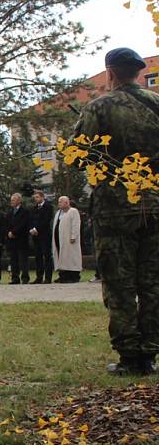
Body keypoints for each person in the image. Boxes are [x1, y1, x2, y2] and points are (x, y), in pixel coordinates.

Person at [74, 47, 159, 374]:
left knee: (120, 284)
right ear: (138, 72)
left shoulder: (98, 107)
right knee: (152, 282)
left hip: (115, 209)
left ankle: (129, 357)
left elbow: (79, 157)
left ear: (109, 72)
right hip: (155, 206)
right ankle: (149, 354)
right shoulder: (156, 104)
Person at [51, 196, 82, 284]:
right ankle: (63, 275)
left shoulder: (73, 211)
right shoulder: (58, 213)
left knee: (71, 257)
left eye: (61, 202)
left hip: (69, 239)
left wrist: (73, 236)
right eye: (58, 202)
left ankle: (73, 276)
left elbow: (76, 225)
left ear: (67, 202)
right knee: (61, 256)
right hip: (59, 239)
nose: (59, 204)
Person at [29, 190, 55, 284]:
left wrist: (37, 229)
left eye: (37, 197)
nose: (36, 199)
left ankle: (48, 278)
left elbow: (46, 220)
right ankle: (39, 277)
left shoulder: (48, 207)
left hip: (45, 235)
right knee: (38, 256)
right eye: (35, 197)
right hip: (36, 236)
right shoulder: (34, 208)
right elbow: (31, 220)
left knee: (47, 256)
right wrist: (31, 229)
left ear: (42, 197)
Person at [5, 193, 30, 284]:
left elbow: (24, 224)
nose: (12, 202)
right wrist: (9, 232)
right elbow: (6, 224)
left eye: (14, 200)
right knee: (13, 260)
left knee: (23, 260)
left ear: (19, 201)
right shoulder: (10, 212)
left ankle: (25, 278)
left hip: (21, 239)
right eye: (11, 200)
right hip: (11, 240)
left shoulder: (25, 212)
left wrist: (14, 232)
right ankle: (15, 278)